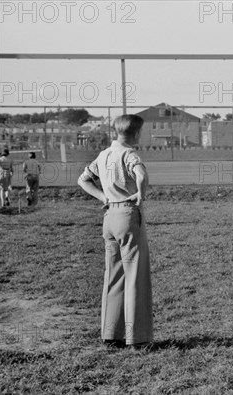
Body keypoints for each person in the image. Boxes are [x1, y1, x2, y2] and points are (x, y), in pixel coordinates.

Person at [77, 114, 153, 348]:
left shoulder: (103, 155)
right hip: (128, 215)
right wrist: (140, 192)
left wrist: (104, 197)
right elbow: (141, 174)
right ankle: (137, 338)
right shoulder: (129, 153)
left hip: (109, 217)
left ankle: (111, 335)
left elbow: (83, 180)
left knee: (113, 275)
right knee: (135, 277)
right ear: (137, 133)